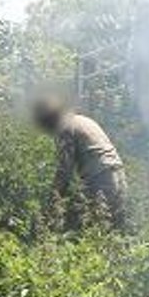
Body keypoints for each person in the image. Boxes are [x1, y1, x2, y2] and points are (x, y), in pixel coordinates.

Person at [32, 95, 129, 230]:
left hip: (100, 180)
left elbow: (65, 171)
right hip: (119, 177)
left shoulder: (64, 128)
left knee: (80, 227)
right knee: (114, 229)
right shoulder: (83, 120)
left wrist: (52, 202)